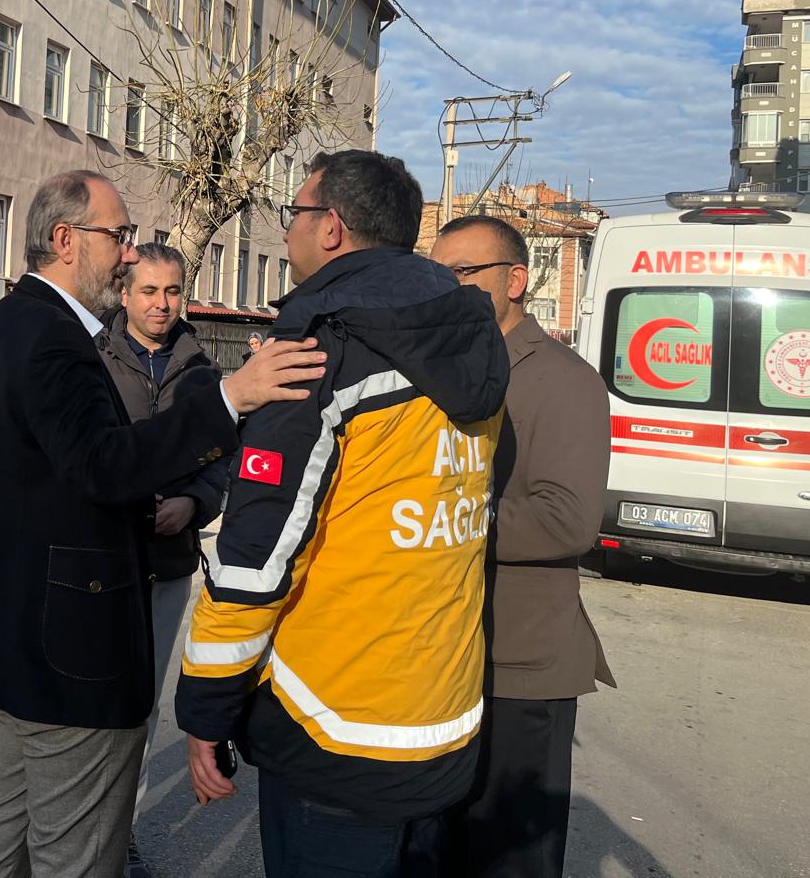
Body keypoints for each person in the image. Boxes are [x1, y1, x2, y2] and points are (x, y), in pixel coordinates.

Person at [0, 170, 326, 878]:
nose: (127, 254)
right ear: (65, 239)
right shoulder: (53, 338)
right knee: (77, 857)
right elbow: (106, 465)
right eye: (116, 235)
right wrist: (230, 397)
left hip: (7, 639)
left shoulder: (8, 325)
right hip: (64, 655)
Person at [176, 150, 510, 878]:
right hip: (444, 718)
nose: (287, 229)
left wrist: (204, 709)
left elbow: (256, 561)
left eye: (293, 213)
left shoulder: (319, 354)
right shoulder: (475, 347)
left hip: (335, 727)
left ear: (330, 228)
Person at [428, 215, 615, 878]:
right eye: (437, 274)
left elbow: (568, 521)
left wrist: (443, 519)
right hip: (445, 658)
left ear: (515, 280)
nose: (446, 289)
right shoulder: (446, 370)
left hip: (520, 664)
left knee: (510, 859)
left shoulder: (561, 379)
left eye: (464, 275)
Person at [95, 242, 227, 878]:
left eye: (172, 291)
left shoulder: (202, 369)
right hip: (101, 560)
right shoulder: (93, 359)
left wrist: (194, 500)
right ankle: (77, 831)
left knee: (144, 707)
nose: (161, 304)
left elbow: (222, 456)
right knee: (94, 703)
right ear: (125, 294)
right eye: (148, 291)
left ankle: (121, 838)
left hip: (169, 561)